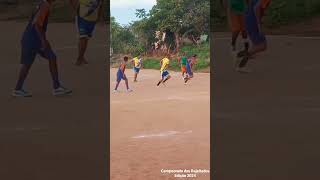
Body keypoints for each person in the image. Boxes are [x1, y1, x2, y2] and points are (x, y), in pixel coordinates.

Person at [12, 0, 72, 97]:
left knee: (48, 58)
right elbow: (37, 25)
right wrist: (43, 41)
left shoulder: (41, 4)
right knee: (44, 60)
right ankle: (56, 88)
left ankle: (56, 87)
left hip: (30, 37)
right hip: (33, 39)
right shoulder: (45, 5)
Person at [236, 0, 271, 72]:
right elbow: (257, 8)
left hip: (249, 19)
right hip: (252, 22)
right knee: (262, 46)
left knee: (256, 45)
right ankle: (241, 65)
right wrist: (259, 24)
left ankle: (238, 55)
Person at [69, 0, 104, 65]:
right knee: (83, 38)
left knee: (85, 39)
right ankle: (79, 59)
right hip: (82, 18)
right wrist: (74, 12)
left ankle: (81, 57)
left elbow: (100, 5)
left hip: (93, 20)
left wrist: (100, 17)